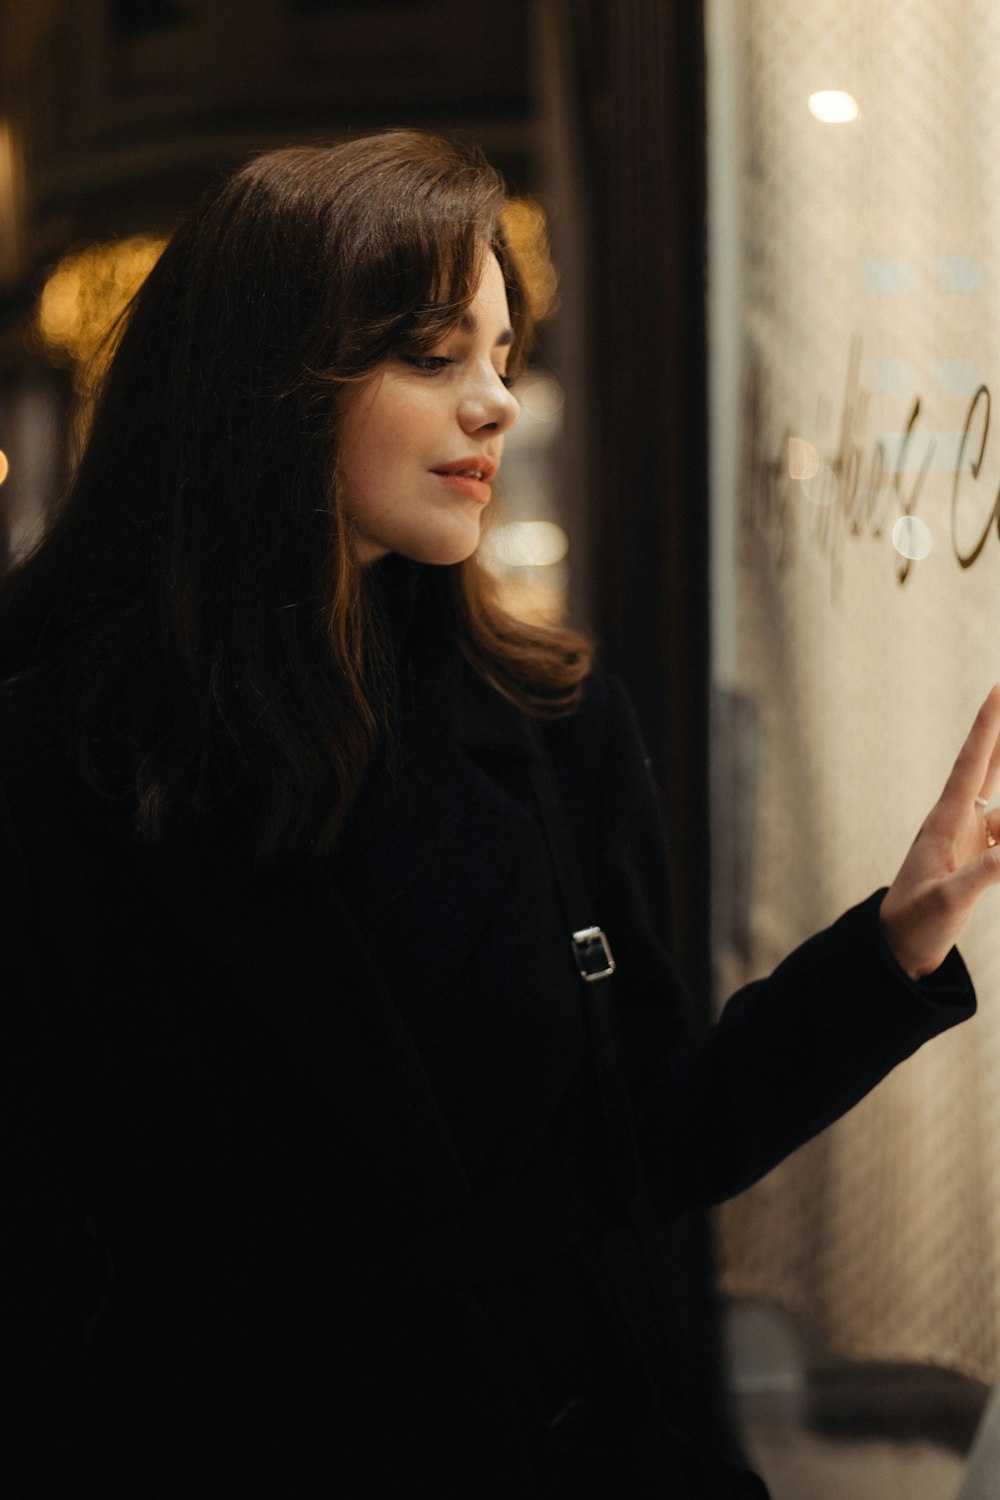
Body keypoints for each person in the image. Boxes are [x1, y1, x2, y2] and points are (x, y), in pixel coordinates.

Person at [3, 129, 1000, 1499]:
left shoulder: (551, 724)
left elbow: (647, 1141)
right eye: (433, 356)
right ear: (267, 381)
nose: (496, 407)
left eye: (504, 358)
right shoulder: (57, 757)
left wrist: (894, 944)